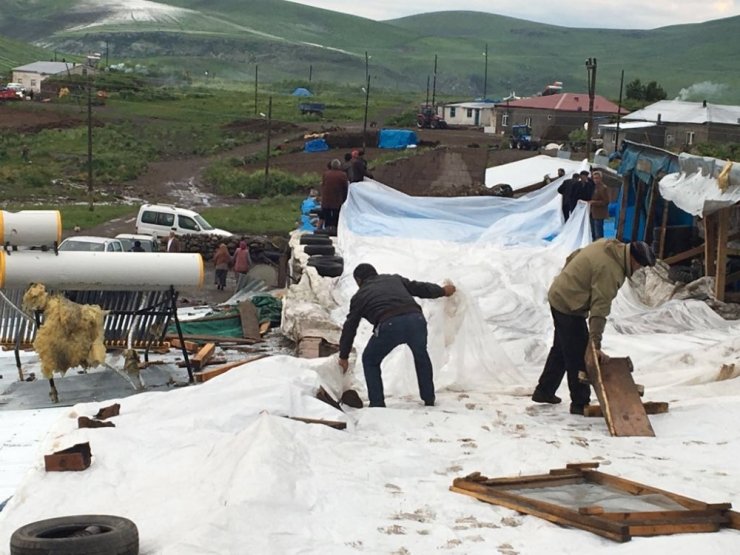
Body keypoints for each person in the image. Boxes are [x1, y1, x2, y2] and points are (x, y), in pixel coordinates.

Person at [531, 240, 657, 415]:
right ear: (634, 260)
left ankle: (544, 390)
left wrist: (569, 280)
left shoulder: (609, 245)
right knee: (580, 355)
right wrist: (595, 345)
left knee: (562, 348)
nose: (638, 270)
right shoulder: (610, 270)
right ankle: (579, 403)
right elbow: (600, 309)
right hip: (568, 304)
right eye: (640, 266)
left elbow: (574, 255)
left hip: (560, 294)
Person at [338, 263, 456, 408]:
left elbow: (350, 327)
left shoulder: (359, 296)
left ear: (358, 280)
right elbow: (420, 288)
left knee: (370, 359)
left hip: (389, 325)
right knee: (421, 356)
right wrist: (443, 291)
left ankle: (377, 403)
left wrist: (343, 356)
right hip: (416, 320)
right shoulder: (393, 279)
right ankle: (429, 398)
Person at [320, 159, 349, 228]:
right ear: (339, 166)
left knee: (327, 216)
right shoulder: (343, 175)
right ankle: (335, 229)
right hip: (337, 199)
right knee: (336, 216)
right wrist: (345, 198)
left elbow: (323, 184)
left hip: (326, 200)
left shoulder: (325, 174)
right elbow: (345, 187)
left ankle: (327, 229)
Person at [589, 170, 609, 240]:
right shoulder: (593, 187)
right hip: (592, 213)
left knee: (598, 233)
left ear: (601, 178)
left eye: (597, 178)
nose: (595, 180)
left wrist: (594, 202)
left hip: (599, 213)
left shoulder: (603, 188)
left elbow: (606, 201)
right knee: (593, 232)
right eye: (594, 178)